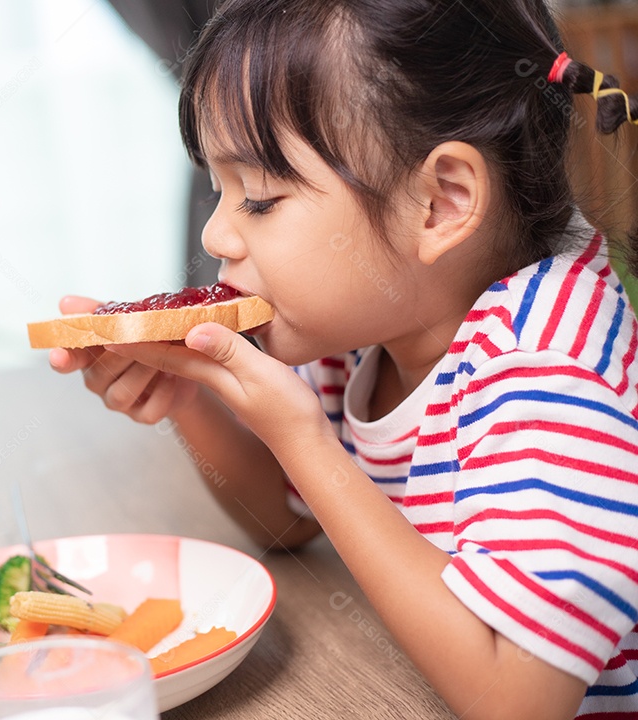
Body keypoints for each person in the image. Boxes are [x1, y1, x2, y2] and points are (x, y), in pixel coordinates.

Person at [48, 1, 638, 718]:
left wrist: (305, 439)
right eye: (217, 188)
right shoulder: (367, 321)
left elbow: (516, 701)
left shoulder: (550, 378)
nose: (216, 234)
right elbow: (289, 518)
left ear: (441, 203)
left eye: (260, 198)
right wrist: (191, 395)